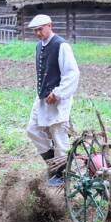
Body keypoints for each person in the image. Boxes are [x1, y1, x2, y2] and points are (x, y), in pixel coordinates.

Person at [25, 14, 80, 187]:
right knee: (32, 130)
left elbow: (72, 73)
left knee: (59, 135)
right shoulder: (38, 46)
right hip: (42, 98)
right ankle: (53, 165)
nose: (38, 33)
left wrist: (58, 93)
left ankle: (61, 174)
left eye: (40, 29)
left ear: (50, 26)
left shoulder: (61, 45)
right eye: (35, 30)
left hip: (58, 100)